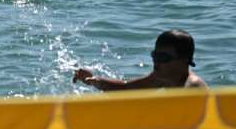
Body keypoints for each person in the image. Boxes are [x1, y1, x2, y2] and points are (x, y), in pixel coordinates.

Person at [73, 29, 205, 90]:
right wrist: (95, 80)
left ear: (183, 62)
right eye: (155, 55)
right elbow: (126, 89)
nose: (156, 61)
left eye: (164, 57)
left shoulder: (194, 87)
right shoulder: (162, 77)